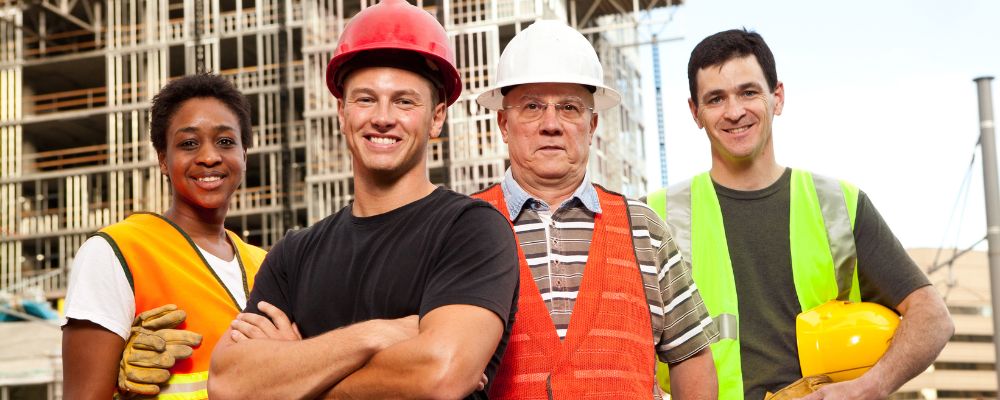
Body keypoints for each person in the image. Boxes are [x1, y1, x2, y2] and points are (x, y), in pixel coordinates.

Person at [207, 1, 520, 399]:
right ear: (341, 112)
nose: (383, 117)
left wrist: (295, 371)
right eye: (366, 99)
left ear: (437, 117)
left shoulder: (472, 231)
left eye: (405, 101)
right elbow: (228, 386)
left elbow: (440, 375)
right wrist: (376, 335)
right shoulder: (293, 255)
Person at [644, 28, 954, 399]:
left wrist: (867, 388)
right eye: (715, 99)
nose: (734, 111)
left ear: (777, 97)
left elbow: (933, 317)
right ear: (695, 112)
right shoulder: (653, 217)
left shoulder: (838, 203)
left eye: (748, 92)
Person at [472, 20, 718, 399]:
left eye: (569, 108)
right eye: (532, 106)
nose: (551, 124)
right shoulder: (463, 228)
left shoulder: (645, 229)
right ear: (504, 123)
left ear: (593, 125)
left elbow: (691, 358)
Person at [62, 73, 266, 399]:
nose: (209, 156)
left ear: (245, 154)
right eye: (188, 143)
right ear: (163, 160)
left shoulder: (266, 265)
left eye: (226, 141)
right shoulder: (118, 252)